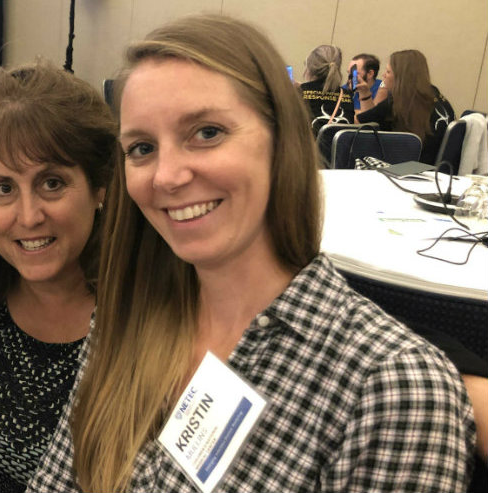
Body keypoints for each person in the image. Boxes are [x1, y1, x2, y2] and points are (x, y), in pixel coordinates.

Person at [28, 14, 475, 492]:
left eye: (206, 132)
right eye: (141, 148)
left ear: (281, 141)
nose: (166, 176)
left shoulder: (391, 388)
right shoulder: (125, 315)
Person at [0, 59, 117, 493]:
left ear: (99, 187)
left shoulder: (146, 316)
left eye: (52, 183)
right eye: (4, 188)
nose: (28, 217)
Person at [356, 49, 455, 164]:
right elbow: (372, 118)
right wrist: (366, 94)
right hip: (437, 169)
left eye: (388, 72)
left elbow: (360, 124)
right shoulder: (436, 95)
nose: (383, 75)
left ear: (400, 77)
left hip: (407, 169)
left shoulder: (398, 103)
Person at [299, 45, 355, 134]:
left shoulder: (299, 93)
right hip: (340, 143)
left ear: (309, 67)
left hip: (307, 143)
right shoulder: (348, 95)